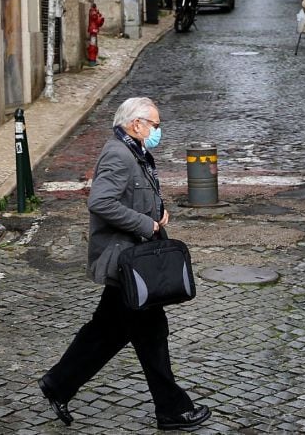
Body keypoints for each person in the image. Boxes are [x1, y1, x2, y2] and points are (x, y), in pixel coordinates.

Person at [39, 97, 211, 431]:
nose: (158, 131)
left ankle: (58, 383)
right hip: (127, 263)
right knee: (151, 335)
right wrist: (147, 224)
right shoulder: (118, 154)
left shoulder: (136, 152)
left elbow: (136, 195)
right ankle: (172, 409)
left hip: (134, 262)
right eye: (155, 125)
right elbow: (101, 202)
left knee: (106, 331)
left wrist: (157, 211)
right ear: (136, 124)